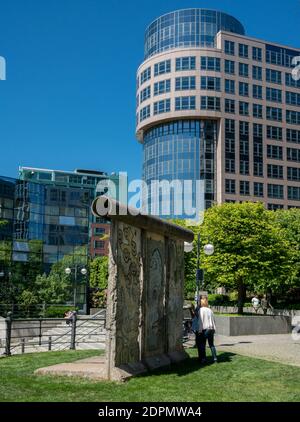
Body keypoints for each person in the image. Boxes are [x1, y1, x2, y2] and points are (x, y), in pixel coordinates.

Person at [197, 297, 217, 363]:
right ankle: (215, 358)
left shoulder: (201, 310)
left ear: (201, 303)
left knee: (202, 344)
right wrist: (214, 329)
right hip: (211, 329)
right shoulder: (210, 310)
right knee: (211, 344)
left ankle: (203, 359)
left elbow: (200, 321)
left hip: (205, 329)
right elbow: (213, 320)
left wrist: (199, 330)